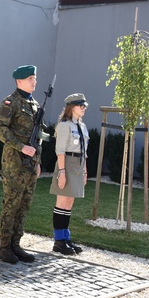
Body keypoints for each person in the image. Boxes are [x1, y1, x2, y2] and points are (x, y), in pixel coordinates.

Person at [0, 65, 41, 264]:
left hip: (30, 164)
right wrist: (20, 147)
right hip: (14, 163)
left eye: (35, 78)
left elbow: (37, 138)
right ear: (19, 81)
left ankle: (15, 245)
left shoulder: (35, 104)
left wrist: (38, 161)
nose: (34, 81)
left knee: (24, 205)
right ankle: (4, 247)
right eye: (30, 78)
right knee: (11, 203)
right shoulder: (10, 102)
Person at [50, 93, 89, 255]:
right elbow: (60, 150)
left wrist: (85, 170)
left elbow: (84, 150)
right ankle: (58, 241)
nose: (83, 108)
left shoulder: (82, 126)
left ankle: (66, 238)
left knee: (69, 203)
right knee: (62, 202)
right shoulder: (64, 126)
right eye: (81, 105)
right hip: (66, 163)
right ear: (71, 107)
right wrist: (62, 171)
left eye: (84, 106)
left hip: (78, 165)